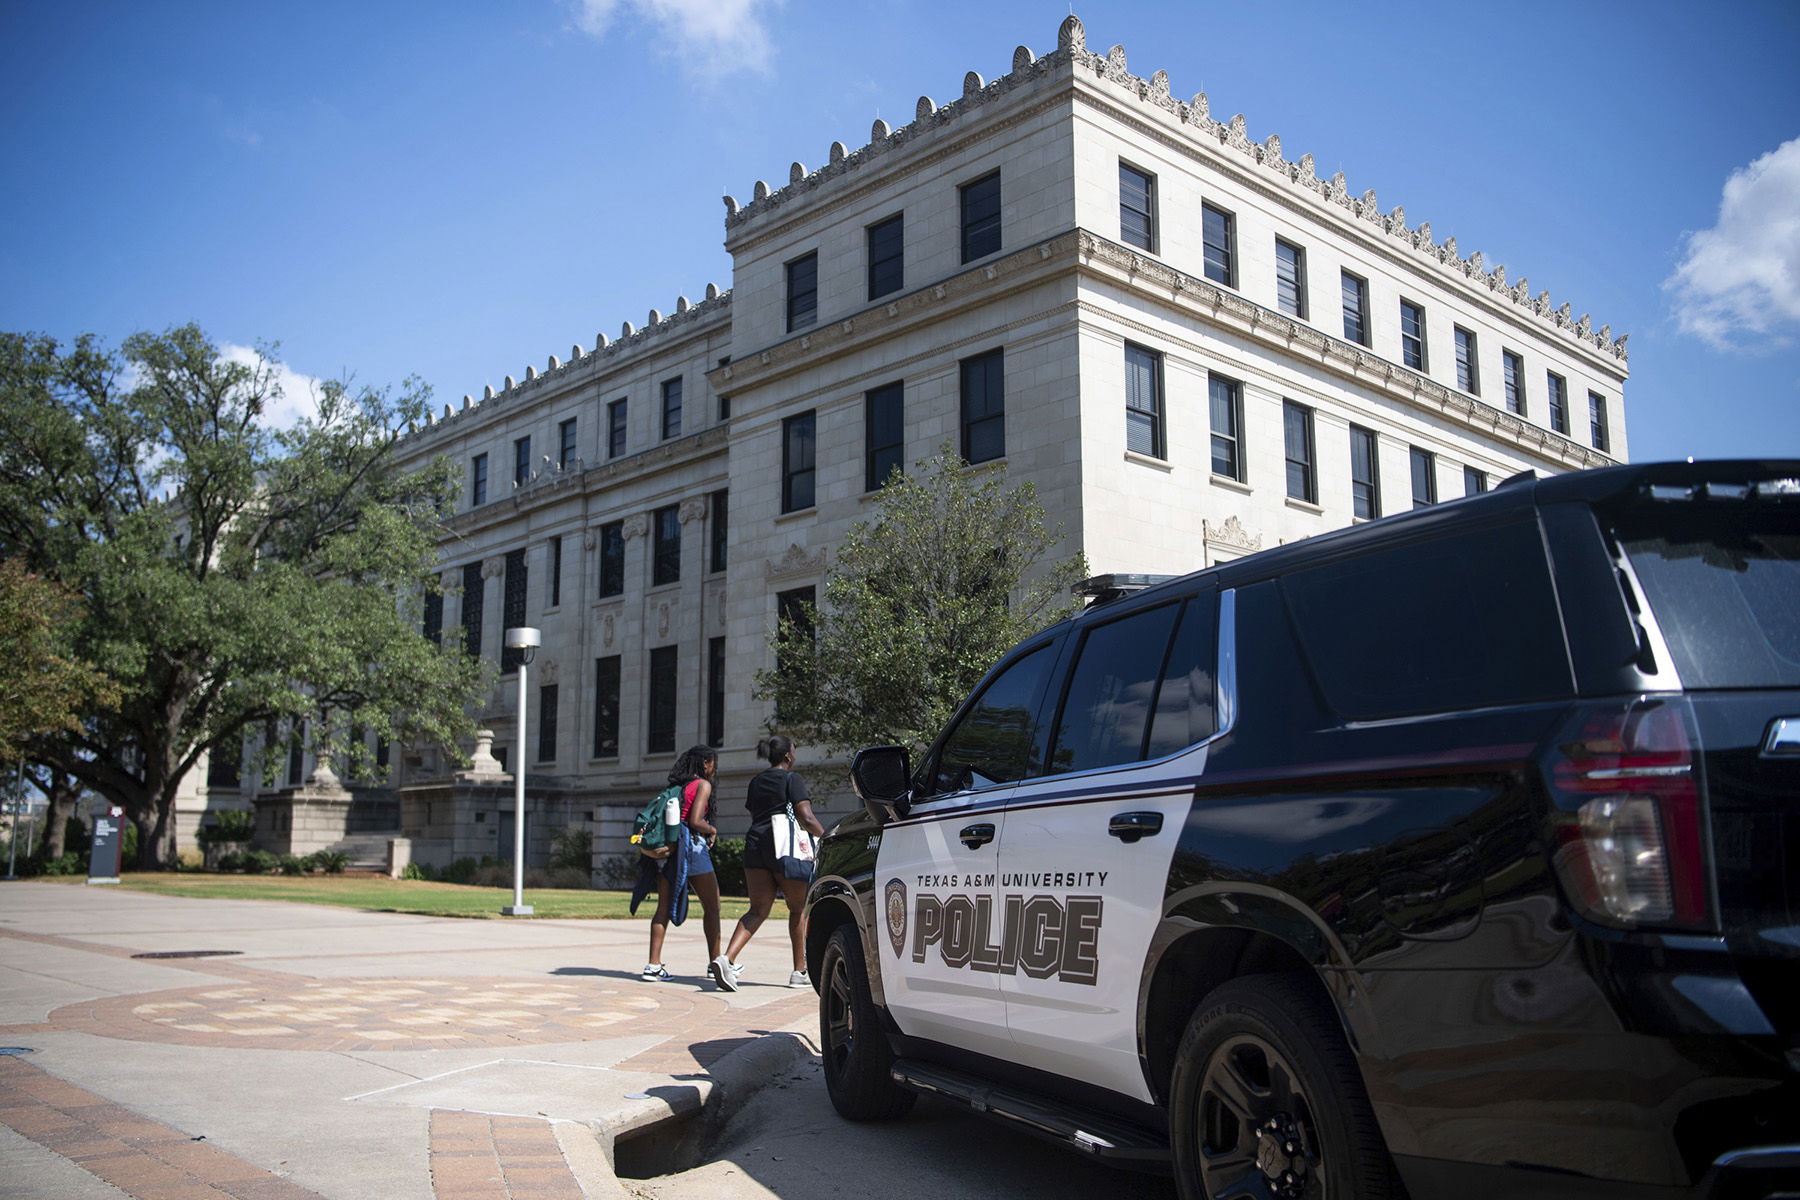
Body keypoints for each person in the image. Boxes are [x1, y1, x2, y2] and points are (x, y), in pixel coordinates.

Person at [711, 735, 825, 991]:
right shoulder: (792, 779)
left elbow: (754, 813)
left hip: (755, 844)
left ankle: (726, 959)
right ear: (787, 756)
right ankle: (799, 971)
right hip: (783, 847)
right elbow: (805, 816)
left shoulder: (756, 781)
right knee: (798, 909)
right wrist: (826, 837)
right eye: (794, 750)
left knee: (757, 910)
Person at [640, 745, 724, 982]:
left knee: (663, 908)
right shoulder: (702, 785)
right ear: (705, 763)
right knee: (713, 905)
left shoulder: (677, 787)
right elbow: (696, 821)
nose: (714, 768)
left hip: (671, 850)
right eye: (713, 763)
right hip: (692, 848)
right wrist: (712, 829)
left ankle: (653, 966)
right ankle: (715, 963)